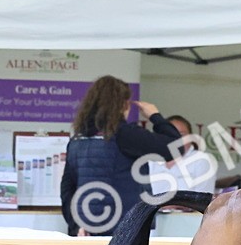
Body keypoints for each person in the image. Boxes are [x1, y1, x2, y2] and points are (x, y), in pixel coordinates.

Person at [60, 76, 181, 236]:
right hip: (125, 228)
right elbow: (174, 148)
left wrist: (76, 225)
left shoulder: (77, 139)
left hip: (87, 228)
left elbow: (67, 188)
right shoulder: (125, 134)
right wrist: (155, 116)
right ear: (123, 104)